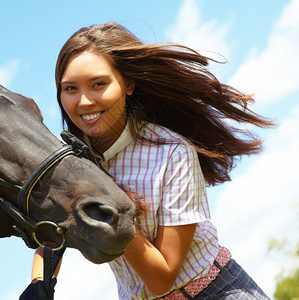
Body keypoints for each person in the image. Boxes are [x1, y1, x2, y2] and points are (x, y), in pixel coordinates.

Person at [25, 22, 273, 299]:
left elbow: (162, 278)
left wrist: (106, 198)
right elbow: (52, 232)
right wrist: (39, 282)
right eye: (70, 88)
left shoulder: (173, 153)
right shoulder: (74, 162)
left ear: (128, 83)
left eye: (98, 84)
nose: (84, 101)